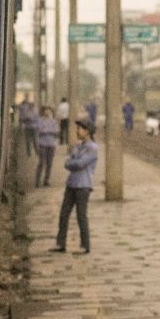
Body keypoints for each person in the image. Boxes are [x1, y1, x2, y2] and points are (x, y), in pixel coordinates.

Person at [53, 118, 98, 253]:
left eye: (80, 128)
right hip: (72, 183)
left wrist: (73, 163)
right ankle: (61, 244)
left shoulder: (93, 148)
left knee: (81, 216)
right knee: (63, 214)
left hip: (83, 185)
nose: (77, 131)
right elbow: (68, 163)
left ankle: (85, 246)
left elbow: (78, 164)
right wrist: (73, 163)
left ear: (87, 131)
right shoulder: (77, 147)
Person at [33, 105, 58, 187]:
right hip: (42, 144)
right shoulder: (39, 120)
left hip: (51, 145)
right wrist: (49, 130)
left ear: (51, 112)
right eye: (46, 110)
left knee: (49, 164)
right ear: (43, 111)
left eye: (49, 111)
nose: (48, 112)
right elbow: (40, 130)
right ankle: (37, 181)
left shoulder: (53, 121)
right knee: (41, 163)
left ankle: (46, 181)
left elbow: (56, 131)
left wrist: (46, 130)